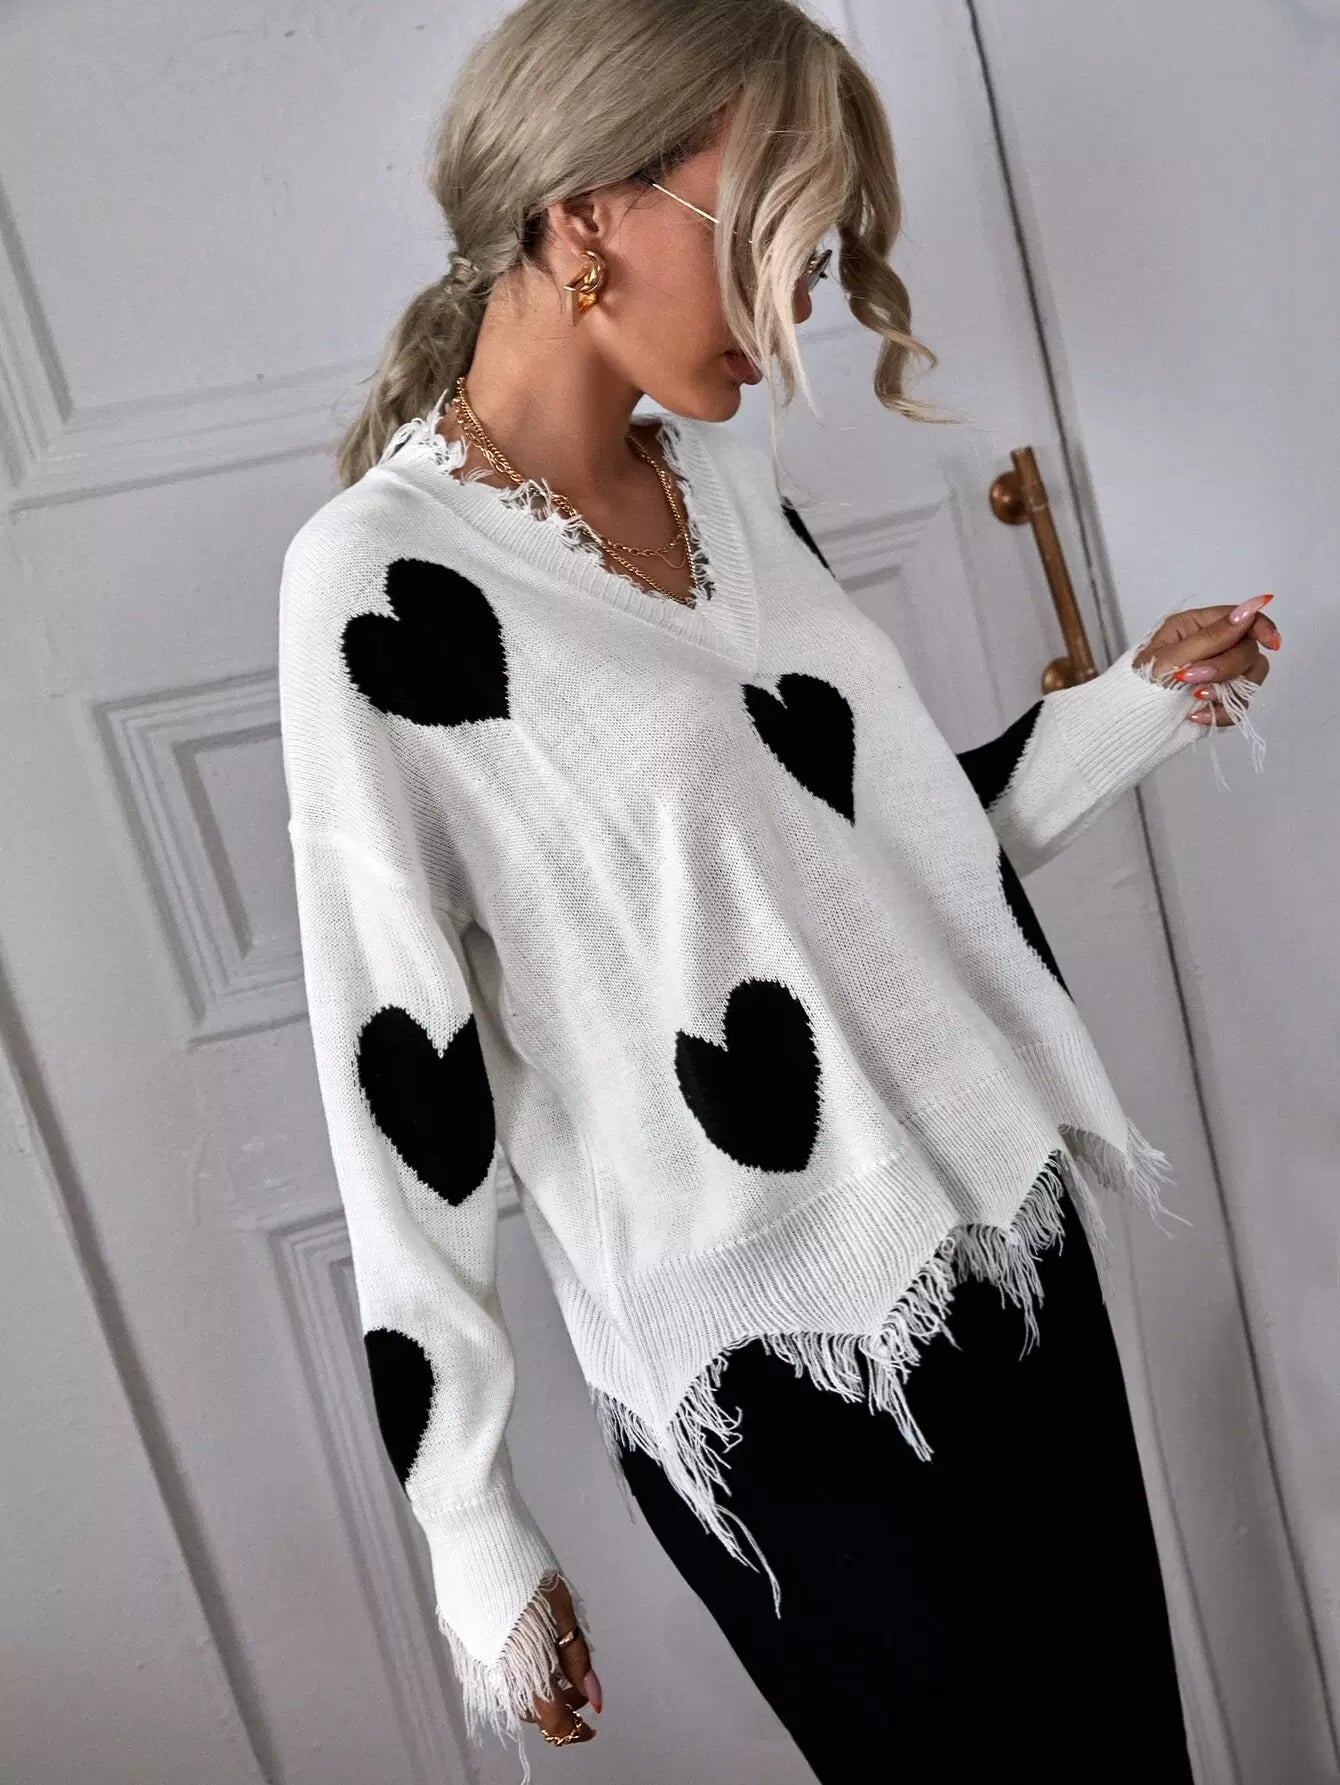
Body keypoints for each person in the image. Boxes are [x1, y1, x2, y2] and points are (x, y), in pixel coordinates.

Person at [277, 0, 1275, 1778]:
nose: (800, 297)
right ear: (588, 214)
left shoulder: (723, 477)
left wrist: (1133, 705)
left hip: (1003, 1254)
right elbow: (400, 1082)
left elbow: (873, 866)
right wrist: (470, 1521)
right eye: (772, 234)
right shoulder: (376, 585)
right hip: (776, 1384)